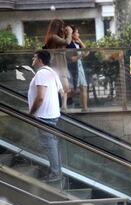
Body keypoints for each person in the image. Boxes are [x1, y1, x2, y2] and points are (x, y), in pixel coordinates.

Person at [28, 50, 63, 182]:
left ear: (40, 60)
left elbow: (40, 97)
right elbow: (63, 92)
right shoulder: (52, 72)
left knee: (49, 145)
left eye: (34, 57)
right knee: (52, 144)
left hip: (43, 115)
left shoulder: (42, 73)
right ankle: (57, 171)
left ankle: (55, 174)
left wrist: (31, 113)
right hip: (52, 114)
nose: (33, 58)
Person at [44, 19, 72, 111]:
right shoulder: (53, 37)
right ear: (58, 27)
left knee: (63, 85)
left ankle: (64, 106)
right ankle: (61, 106)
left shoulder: (54, 36)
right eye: (62, 26)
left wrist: (65, 33)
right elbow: (67, 42)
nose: (63, 28)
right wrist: (70, 33)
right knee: (64, 85)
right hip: (57, 61)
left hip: (61, 61)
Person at [67, 25, 89, 112]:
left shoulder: (77, 43)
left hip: (79, 67)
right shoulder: (68, 45)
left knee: (83, 86)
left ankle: (85, 108)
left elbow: (86, 52)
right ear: (72, 34)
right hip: (72, 68)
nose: (78, 34)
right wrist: (81, 55)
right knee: (73, 90)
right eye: (77, 32)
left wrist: (80, 41)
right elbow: (71, 59)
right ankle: (64, 101)